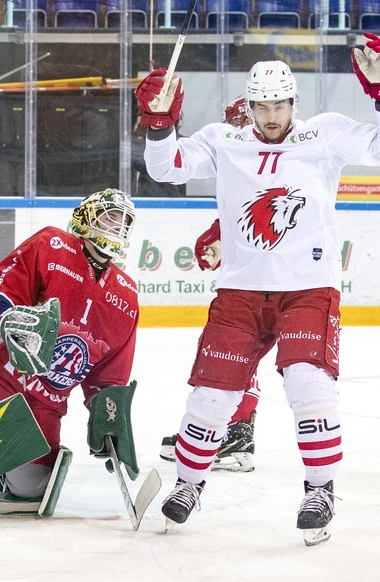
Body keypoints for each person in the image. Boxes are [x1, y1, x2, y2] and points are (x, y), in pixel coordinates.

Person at [135, 33, 380, 545]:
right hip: (240, 292)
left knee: (310, 388)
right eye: (261, 106)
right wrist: (159, 126)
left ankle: (319, 489)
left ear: (294, 102)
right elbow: (165, 168)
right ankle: (188, 484)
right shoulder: (225, 139)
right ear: (248, 104)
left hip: (308, 289)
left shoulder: (324, 135)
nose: (271, 116)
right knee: (211, 396)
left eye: (280, 105)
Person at [0, 188, 140, 512]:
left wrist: (110, 418)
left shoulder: (127, 297)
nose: (117, 227)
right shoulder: (52, 244)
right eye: (110, 217)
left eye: (124, 222)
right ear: (86, 217)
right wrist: (13, 323)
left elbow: (108, 378)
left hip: (44, 400)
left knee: (30, 492)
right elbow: (0, 291)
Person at [159, 97, 260, 474]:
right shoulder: (241, 163)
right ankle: (224, 432)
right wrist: (216, 240)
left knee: (238, 355)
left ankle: (234, 435)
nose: (234, 134)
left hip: (281, 282)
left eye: (238, 124)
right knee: (232, 356)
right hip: (252, 282)